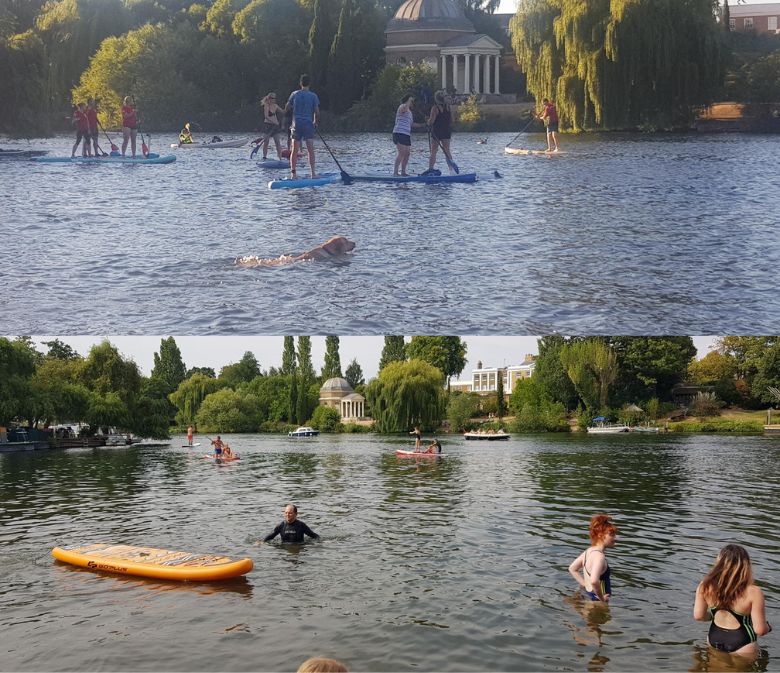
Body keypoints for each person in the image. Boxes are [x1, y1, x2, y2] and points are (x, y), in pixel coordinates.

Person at [694, 544, 772, 657]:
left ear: (719, 563)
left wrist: (712, 616)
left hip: (714, 638)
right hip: (743, 644)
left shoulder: (705, 585)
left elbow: (699, 616)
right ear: (745, 566)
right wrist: (768, 627)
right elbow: (760, 630)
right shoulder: (753, 592)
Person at [568, 514, 617, 603]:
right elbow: (594, 581)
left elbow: (572, 568)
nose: (616, 538)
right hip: (597, 604)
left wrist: (585, 584)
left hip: (590, 599)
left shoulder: (588, 551)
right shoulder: (599, 557)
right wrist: (602, 599)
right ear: (600, 535)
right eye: (612, 535)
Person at [285, 74, 320, 179]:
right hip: (308, 124)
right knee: (310, 149)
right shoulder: (313, 96)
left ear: (300, 83)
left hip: (296, 124)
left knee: (294, 149)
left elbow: (287, 107)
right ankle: (313, 173)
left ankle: (293, 174)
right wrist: (315, 121)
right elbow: (317, 112)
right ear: (309, 84)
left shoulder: (294, 94)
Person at [392, 95, 425, 176]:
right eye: (411, 101)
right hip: (399, 132)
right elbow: (404, 109)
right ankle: (395, 172)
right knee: (401, 152)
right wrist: (408, 101)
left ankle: (403, 172)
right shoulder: (402, 106)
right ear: (407, 100)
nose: (412, 102)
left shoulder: (409, 112)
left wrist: (423, 125)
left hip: (406, 134)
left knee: (407, 153)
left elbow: (411, 124)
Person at [425, 90, 454, 175]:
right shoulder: (449, 107)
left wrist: (427, 122)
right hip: (446, 131)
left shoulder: (435, 108)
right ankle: (452, 170)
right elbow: (452, 120)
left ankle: (430, 169)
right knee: (447, 151)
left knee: (433, 151)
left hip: (437, 132)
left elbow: (431, 121)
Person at [259, 92, 285, 160]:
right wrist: (275, 122)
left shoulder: (275, 106)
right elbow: (267, 116)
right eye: (272, 98)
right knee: (266, 142)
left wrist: (288, 107)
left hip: (275, 127)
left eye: (274, 98)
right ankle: (264, 157)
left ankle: (280, 158)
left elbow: (283, 112)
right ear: (269, 98)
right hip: (268, 125)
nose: (273, 100)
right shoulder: (266, 105)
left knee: (277, 142)